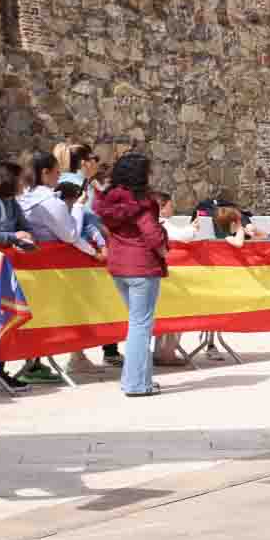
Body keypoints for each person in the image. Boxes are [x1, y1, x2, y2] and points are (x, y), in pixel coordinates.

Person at [93, 153, 170, 398]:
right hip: (142, 266)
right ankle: (136, 383)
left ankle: (139, 380)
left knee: (137, 324)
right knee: (140, 326)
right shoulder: (142, 202)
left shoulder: (108, 201)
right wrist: (164, 248)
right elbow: (152, 234)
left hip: (119, 265)